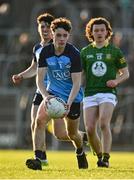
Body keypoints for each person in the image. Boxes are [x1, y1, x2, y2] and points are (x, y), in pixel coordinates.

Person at [12, 13, 87, 167]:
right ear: (53, 34)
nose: (61, 38)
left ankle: (80, 149)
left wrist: (68, 104)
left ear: (68, 36)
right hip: (52, 94)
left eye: (65, 35)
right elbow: (39, 80)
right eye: (58, 35)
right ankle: (39, 159)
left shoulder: (74, 54)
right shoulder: (45, 52)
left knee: (68, 134)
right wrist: (46, 96)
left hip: (72, 97)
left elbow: (76, 83)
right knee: (38, 121)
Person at [80, 17, 129, 168]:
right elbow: (79, 74)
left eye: (102, 30)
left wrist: (116, 81)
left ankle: (106, 158)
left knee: (103, 123)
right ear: (91, 33)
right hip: (90, 94)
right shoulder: (85, 52)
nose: (99, 33)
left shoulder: (114, 51)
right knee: (89, 128)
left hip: (108, 93)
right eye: (96, 30)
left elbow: (125, 73)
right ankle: (100, 155)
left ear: (107, 32)